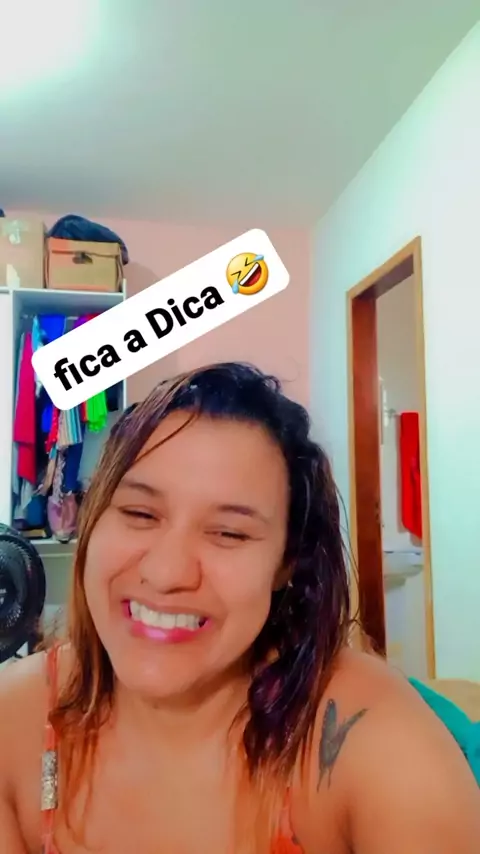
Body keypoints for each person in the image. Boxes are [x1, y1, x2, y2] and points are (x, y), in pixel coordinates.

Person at [0, 362, 479, 854]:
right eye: (140, 513)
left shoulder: (376, 744)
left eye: (229, 533)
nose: (166, 573)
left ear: (286, 563)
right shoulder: (13, 723)